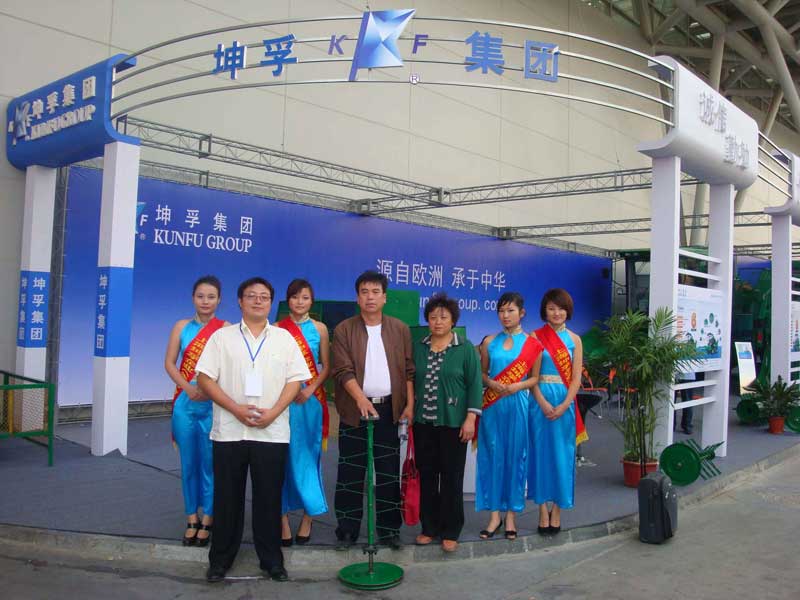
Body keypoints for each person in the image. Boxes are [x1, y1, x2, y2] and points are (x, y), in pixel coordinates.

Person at [196, 277, 311, 583]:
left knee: (269, 500)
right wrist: (235, 408)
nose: (258, 301)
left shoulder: (284, 339)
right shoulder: (222, 338)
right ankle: (220, 561)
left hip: (271, 432)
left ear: (271, 303)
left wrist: (274, 412)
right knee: (227, 499)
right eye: (251, 296)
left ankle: (272, 561)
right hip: (230, 431)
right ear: (240, 301)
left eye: (264, 297)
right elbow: (205, 378)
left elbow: (296, 381)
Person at [332, 270, 414, 550]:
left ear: (385, 297)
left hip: (389, 411)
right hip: (355, 412)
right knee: (351, 471)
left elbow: (409, 370)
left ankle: (389, 530)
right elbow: (342, 370)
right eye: (364, 292)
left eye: (375, 292)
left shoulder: (399, 329)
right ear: (357, 298)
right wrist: (360, 399)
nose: (370, 297)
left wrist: (409, 404)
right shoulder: (344, 329)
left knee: (388, 473)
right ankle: (347, 530)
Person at [412, 293, 482, 552]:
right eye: (433, 317)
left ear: (453, 320)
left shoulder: (465, 348)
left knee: (452, 477)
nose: (438, 322)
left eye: (443, 317)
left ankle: (451, 530)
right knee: (427, 476)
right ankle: (429, 527)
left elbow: (475, 384)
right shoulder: (419, 347)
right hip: (423, 423)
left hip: (454, 424)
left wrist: (470, 418)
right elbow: (410, 380)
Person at [164, 275, 227, 547]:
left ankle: (209, 516)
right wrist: (188, 388)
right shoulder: (181, 326)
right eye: (200, 296)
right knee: (188, 463)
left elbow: (229, 367)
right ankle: (191, 516)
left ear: (219, 300)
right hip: (185, 402)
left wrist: (210, 389)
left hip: (213, 404)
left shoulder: (225, 329)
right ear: (193, 298)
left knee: (211, 463)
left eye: (211, 297)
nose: (205, 301)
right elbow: (170, 363)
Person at [477, 292, 542, 541]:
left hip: (517, 404)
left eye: (510, 311)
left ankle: (511, 516)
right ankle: (494, 516)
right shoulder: (489, 342)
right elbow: (482, 374)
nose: (505, 316)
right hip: (493, 405)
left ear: (521, 313)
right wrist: (491, 383)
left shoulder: (532, 344)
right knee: (492, 456)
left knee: (516, 458)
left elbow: (534, 378)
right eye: (501, 311)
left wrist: (518, 386)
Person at [528, 288, 586, 535]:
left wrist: (564, 405)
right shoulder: (535, 336)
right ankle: (542, 510)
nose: (556, 313)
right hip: (539, 401)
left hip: (565, 403)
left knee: (563, 456)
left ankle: (558, 509)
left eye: (561, 308)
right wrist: (541, 401)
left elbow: (575, 379)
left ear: (568, 311)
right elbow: (531, 377)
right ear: (545, 311)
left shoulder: (575, 340)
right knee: (540, 455)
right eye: (551, 308)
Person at [277, 279, 330, 546]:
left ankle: (309, 516)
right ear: (288, 300)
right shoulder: (277, 329)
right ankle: (282, 519)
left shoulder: (320, 329)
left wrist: (310, 390)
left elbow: (326, 366)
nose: (300, 302)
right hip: (283, 403)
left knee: (309, 457)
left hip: (310, 401)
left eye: (305, 297)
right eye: (295, 297)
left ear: (312, 301)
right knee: (282, 459)